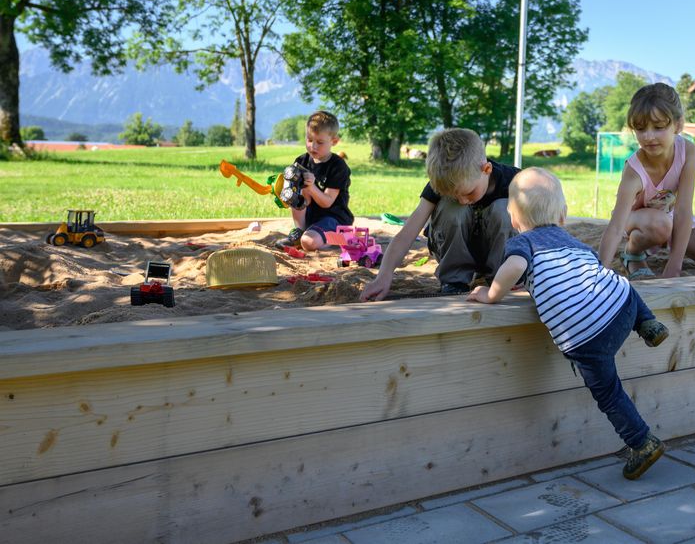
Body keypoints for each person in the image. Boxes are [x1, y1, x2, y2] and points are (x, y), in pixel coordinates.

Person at [467, 167, 669, 480]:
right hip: (620, 308)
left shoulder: (524, 244)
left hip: (587, 338)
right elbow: (575, 272)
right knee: (621, 285)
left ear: (513, 218)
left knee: (609, 394)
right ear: (563, 215)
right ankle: (648, 324)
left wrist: (492, 294)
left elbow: (516, 266)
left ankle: (642, 442)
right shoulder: (573, 242)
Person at [598, 83, 695, 279]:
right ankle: (632, 252)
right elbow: (616, 227)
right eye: (641, 129)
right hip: (635, 220)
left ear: (678, 125)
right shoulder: (634, 171)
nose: (649, 136)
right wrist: (597, 276)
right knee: (660, 225)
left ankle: (661, 243)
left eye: (658, 127)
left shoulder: (688, 151)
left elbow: (684, 211)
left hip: (671, 216)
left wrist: (674, 264)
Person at [359, 128, 517, 301]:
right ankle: (454, 281)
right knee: (452, 208)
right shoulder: (445, 179)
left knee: (505, 209)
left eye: (468, 193)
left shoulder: (516, 182)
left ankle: (503, 278)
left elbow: (544, 227)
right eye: (455, 195)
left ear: (486, 169)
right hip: (452, 248)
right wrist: (384, 275)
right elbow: (407, 233)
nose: (463, 201)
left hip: (499, 255)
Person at [274, 111, 353, 253]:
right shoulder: (301, 161)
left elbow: (327, 202)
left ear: (334, 141)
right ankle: (299, 232)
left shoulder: (338, 166)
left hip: (333, 218)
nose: (313, 146)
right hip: (310, 217)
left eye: (320, 142)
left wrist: (311, 186)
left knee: (308, 242)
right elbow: (296, 195)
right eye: (310, 140)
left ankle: (339, 238)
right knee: (297, 196)